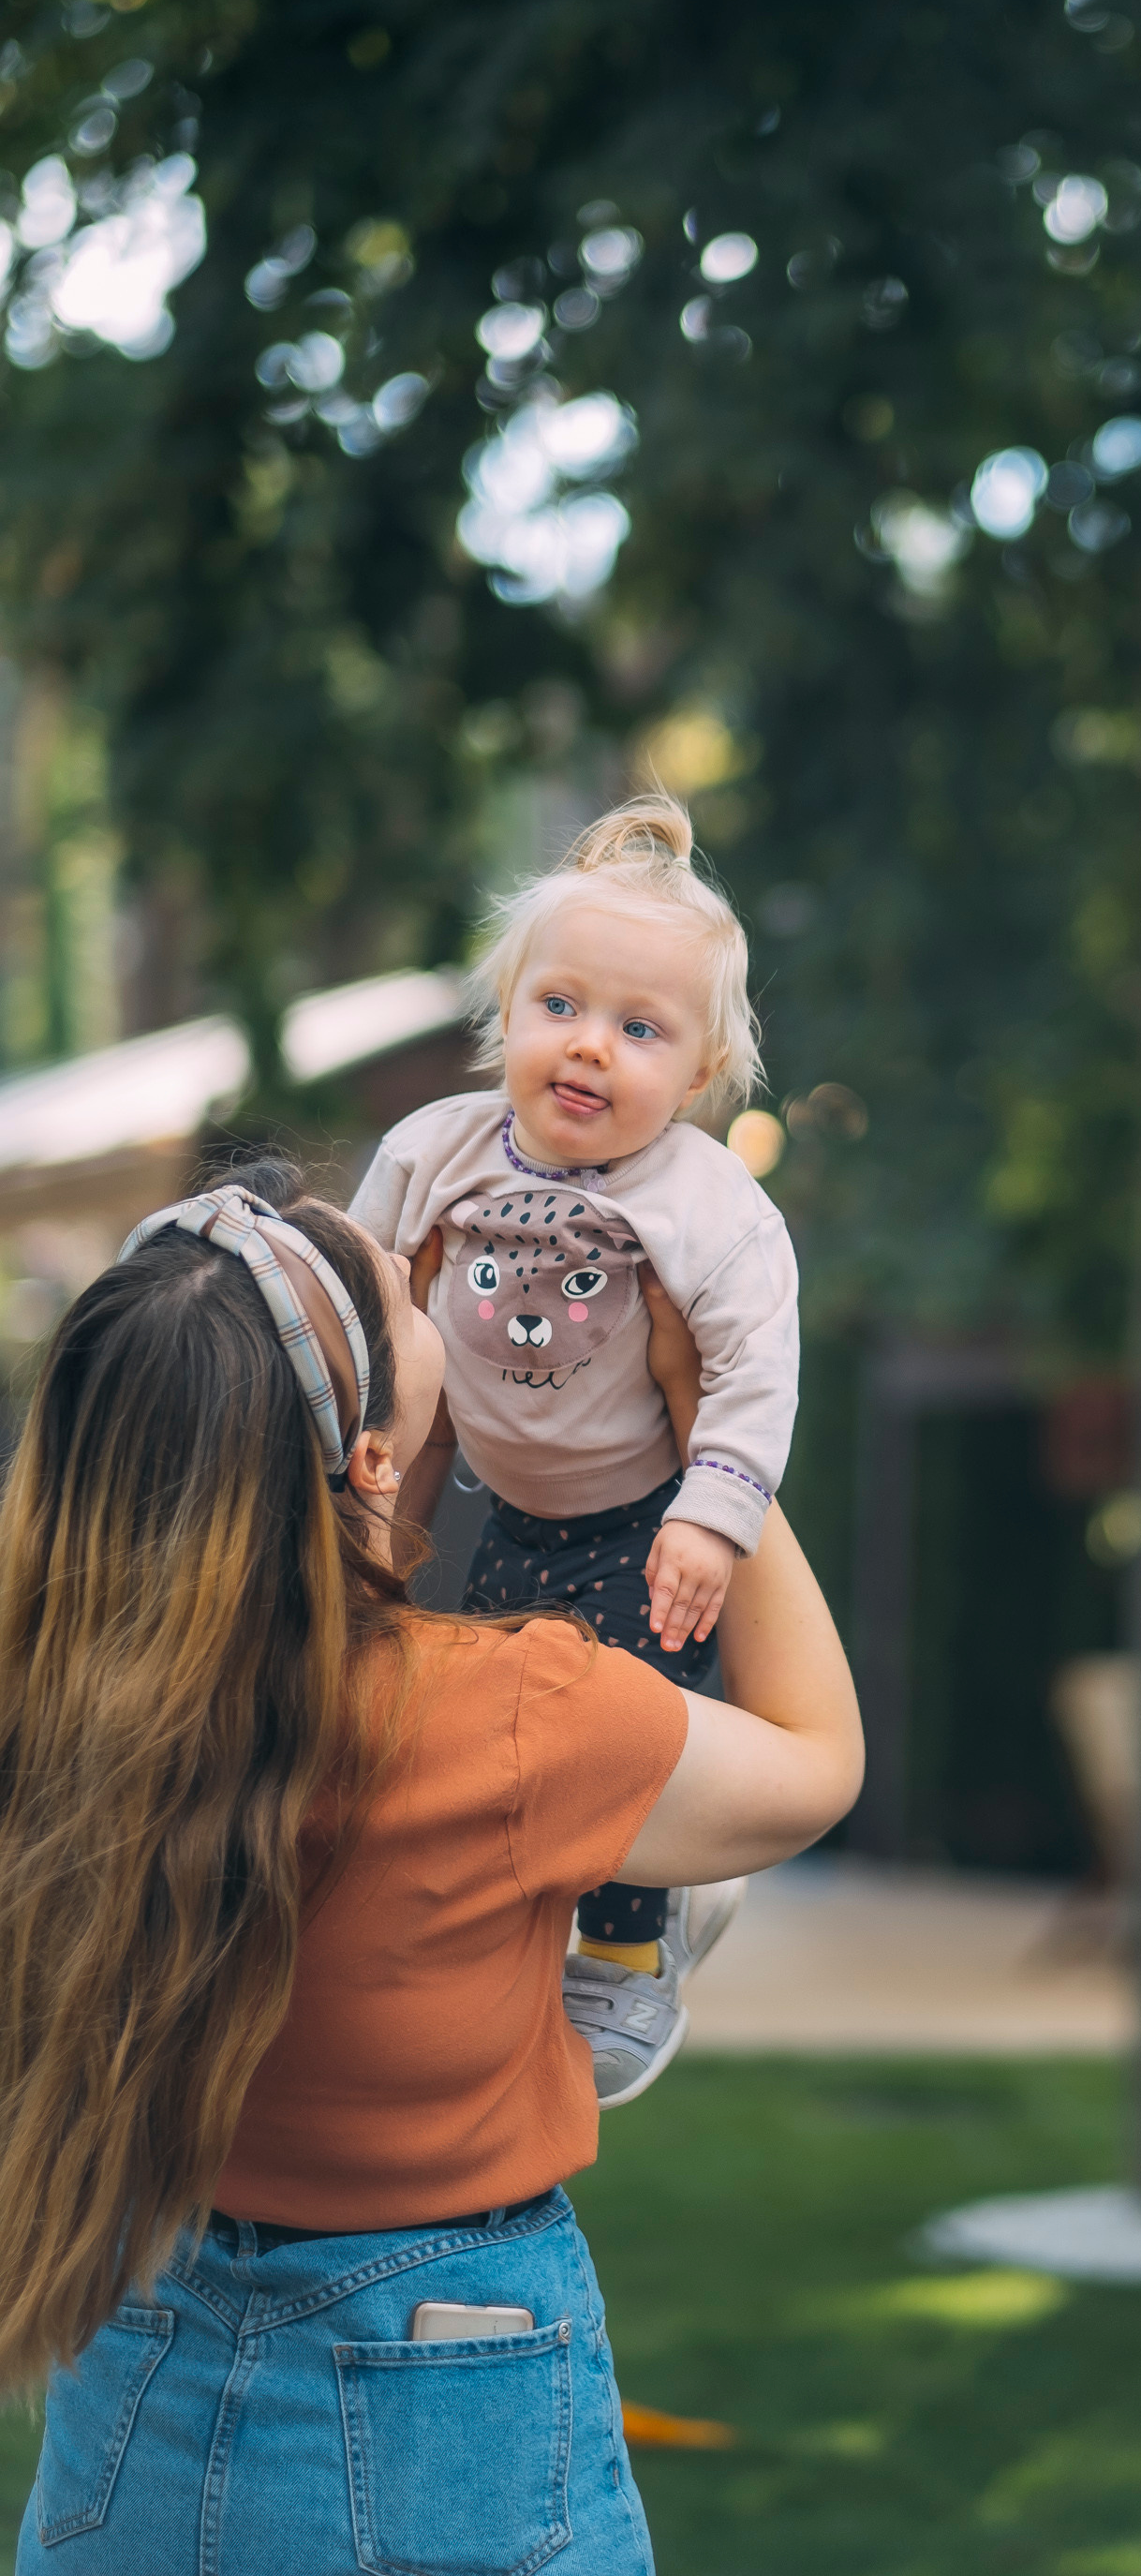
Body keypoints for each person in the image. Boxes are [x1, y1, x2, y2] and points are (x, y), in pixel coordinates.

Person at [0, 1161, 861, 2576]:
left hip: (132, 2355)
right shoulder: (513, 1715)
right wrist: (716, 1434)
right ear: (371, 1461)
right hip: (445, 2380)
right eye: (410, 1292)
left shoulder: (48, 1718)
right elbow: (814, 1761)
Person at [350, 791, 796, 2102]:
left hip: (646, 1515)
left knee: (620, 1737)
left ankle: (630, 1946)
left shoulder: (707, 1200)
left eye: (640, 1029)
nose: (590, 1047)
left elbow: (758, 1367)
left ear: (699, 1076)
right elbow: (364, 1304)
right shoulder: (433, 1153)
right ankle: (570, 1922)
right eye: (561, 1007)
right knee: (505, 1737)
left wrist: (712, 1514)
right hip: (510, 1506)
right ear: (508, 1016)